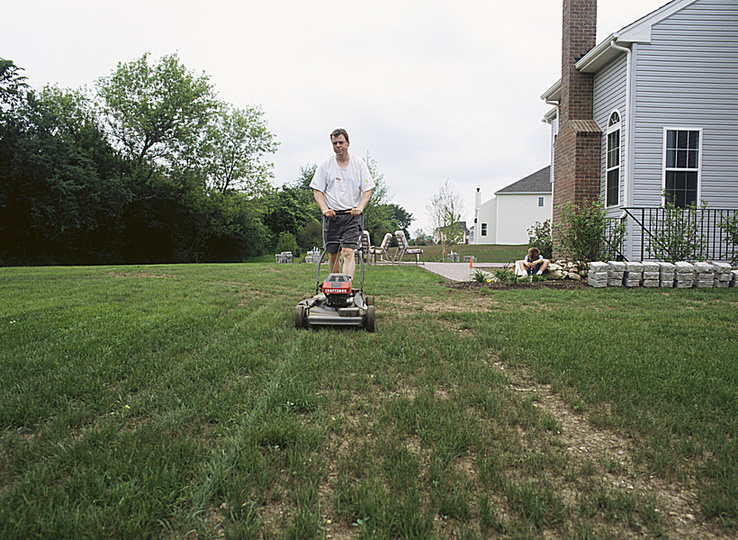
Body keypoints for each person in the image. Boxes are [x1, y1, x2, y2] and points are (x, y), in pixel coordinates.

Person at [310, 128, 374, 282]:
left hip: (352, 216)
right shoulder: (326, 165)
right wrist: (325, 209)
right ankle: (335, 287)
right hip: (332, 216)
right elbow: (317, 191)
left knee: (348, 252)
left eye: (341, 142)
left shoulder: (359, 165)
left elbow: (367, 190)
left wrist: (360, 207)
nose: (338, 145)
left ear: (348, 143)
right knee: (333, 254)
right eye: (334, 143)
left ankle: (347, 289)